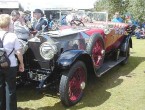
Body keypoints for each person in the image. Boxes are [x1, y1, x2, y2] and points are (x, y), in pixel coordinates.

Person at [0, 14, 24, 110]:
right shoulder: (12, 35)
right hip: (11, 65)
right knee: (11, 89)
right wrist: (21, 63)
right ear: (8, 24)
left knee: (0, 88)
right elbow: (18, 52)